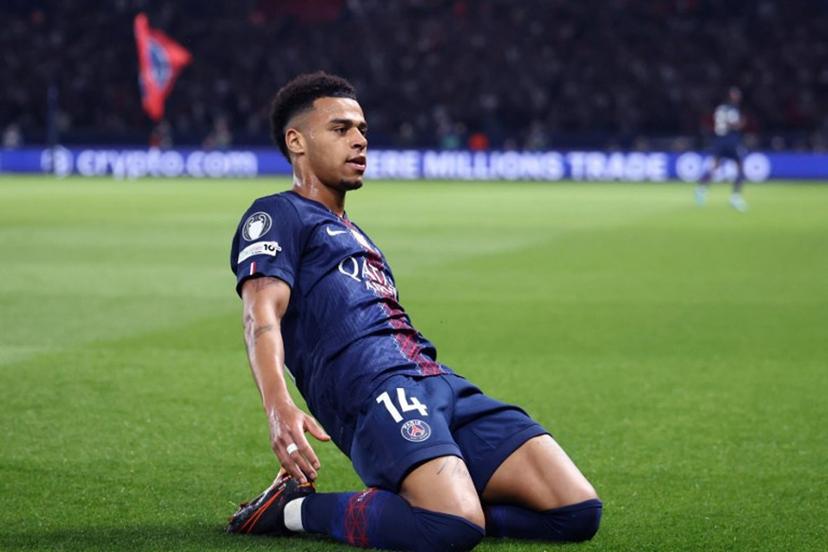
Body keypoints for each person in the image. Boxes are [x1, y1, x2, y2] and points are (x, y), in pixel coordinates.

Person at [225, 71, 602, 551]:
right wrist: (277, 406)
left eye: (362, 129)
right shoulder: (278, 213)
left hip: (438, 381)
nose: (360, 140)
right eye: (341, 129)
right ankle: (294, 510)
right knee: (451, 527)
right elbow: (261, 313)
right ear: (295, 141)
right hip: (374, 390)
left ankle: (430, 503)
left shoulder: (356, 233)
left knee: (575, 512)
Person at [696, 87, 748, 212]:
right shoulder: (732, 109)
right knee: (739, 165)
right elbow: (734, 124)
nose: (737, 97)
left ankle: (702, 189)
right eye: (736, 95)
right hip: (729, 139)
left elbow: (717, 123)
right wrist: (742, 122)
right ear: (731, 96)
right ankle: (735, 197)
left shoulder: (720, 108)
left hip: (719, 140)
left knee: (715, 166)